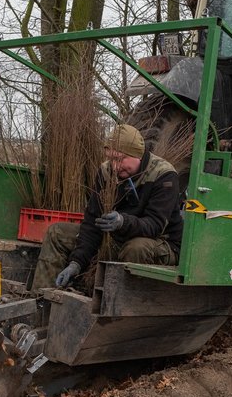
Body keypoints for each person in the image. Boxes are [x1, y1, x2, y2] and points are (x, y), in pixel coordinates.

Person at [31, 123, 183, 290]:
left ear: (137, 154)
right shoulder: (106, 172)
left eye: (120, 159)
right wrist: (77, 262)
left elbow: (155, 225)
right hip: (117, 238)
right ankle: (41, 299)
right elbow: (92, 222)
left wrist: (122, 222)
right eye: (111, 159)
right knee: (57, 232)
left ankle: (119, 310)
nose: (115, 166)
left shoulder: (164, 175)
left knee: (136, 248)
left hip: (160, 242)